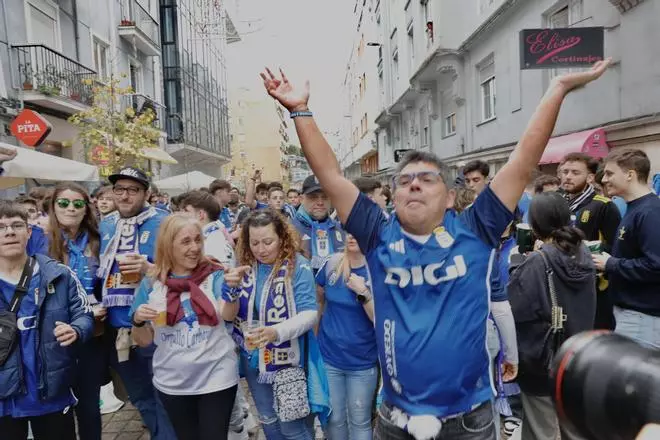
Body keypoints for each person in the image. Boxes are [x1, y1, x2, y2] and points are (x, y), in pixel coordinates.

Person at [260, 59, 611, 439]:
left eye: (426, 179)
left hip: (467, 422)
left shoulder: (476, 231)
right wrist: (300, 110)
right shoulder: (377, 234)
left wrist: (556, 88)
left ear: (448, 198)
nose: (413, 185)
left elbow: (523, 160)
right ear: (391, 196)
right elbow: (329, 174)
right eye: (405, 180)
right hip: (396, 421)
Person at [224, 209, 330, 440]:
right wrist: (229, 289)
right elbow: (229, 316)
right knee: (268, 420)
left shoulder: (297, 265)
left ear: (282, 238)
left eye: (268, 242)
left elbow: (310, 313)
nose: (261, 249)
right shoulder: (245, 266)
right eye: (254, 243)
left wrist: (276, 332)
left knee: (292, 426)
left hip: (287, 359)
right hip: (253, 357)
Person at [131, 215, 239, 440]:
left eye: (198, 240)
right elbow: (144, 340)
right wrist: (138, 320)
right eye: (186, 241)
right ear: (168, 246)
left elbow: (228, 314)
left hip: (216, 375)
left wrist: (232, 291)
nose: (195, 248)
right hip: (173, 381)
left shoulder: (214, 273)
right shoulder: (152, 283)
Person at [0, 201, 94, 439]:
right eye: (1, 227)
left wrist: (76, 330)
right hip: (4, 398)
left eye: (16, 225)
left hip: (52, 394)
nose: (9, 232)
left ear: (29, 232)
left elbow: (84, 314)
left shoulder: (59, 274)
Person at [508, 192, 595, 440]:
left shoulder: (537, 260)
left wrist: (517, 264)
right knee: (569, 427)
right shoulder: (583, 254)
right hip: (575, 356)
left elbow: (516, 306)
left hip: (542, 360)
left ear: (534, 224)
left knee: (540, 430)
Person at [97, 167, 175, 439]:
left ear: (147, 193)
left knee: (166, 398)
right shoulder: (106, 224)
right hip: (117, 327)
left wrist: (150, 268)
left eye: (133, 190)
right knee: (140, 397)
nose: (125, 196)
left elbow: (184, 271)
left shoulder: (164, 222)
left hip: (156, 327)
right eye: (120, 189)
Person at [47, 182, 106, 440]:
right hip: (52, 337)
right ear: (53, 207)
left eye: (78, 203)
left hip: (93, 332)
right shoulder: (39, 240)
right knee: (57, 409)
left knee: (89, 407)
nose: (71, 208)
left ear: (86, 209)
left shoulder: (99, 240)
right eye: (63, 203)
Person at [593, 149, 660, 348]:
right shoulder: (637, 209)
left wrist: (611, 264)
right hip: (632, 316)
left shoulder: (650, 213)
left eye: (610, 173)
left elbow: (656, 266)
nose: (604, 179)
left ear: (630, 175)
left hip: (643, 320)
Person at [316, 234, 378, 440]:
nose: (352, 235)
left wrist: (364, 293)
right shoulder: (332, 263)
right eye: (349, 230)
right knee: (334, 419)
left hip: (363, 362)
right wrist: (316, 339)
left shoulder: (379, 269)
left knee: (360, 420)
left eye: (358, 230)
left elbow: (381, 320)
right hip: (330, 358)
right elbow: (318, 299)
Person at [559, 152, 621, 330]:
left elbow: (616, 249)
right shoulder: (559, 203)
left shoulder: (603, 206)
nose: (568, 176)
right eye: (565, 172)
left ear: (590, 177)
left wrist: (587, 250)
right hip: (564, 285)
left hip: (595, 291)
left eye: (575, 172)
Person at [292, 175, 345, 274]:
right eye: (313, 197)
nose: (320, 202)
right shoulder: (288, 230)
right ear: (301, 199)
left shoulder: (340, 229)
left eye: (325, 197)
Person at [179, 190, 235, 268]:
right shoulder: (213, 235)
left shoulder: (211, 243)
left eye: (186, 211)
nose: (181, 215)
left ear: (200, 214)